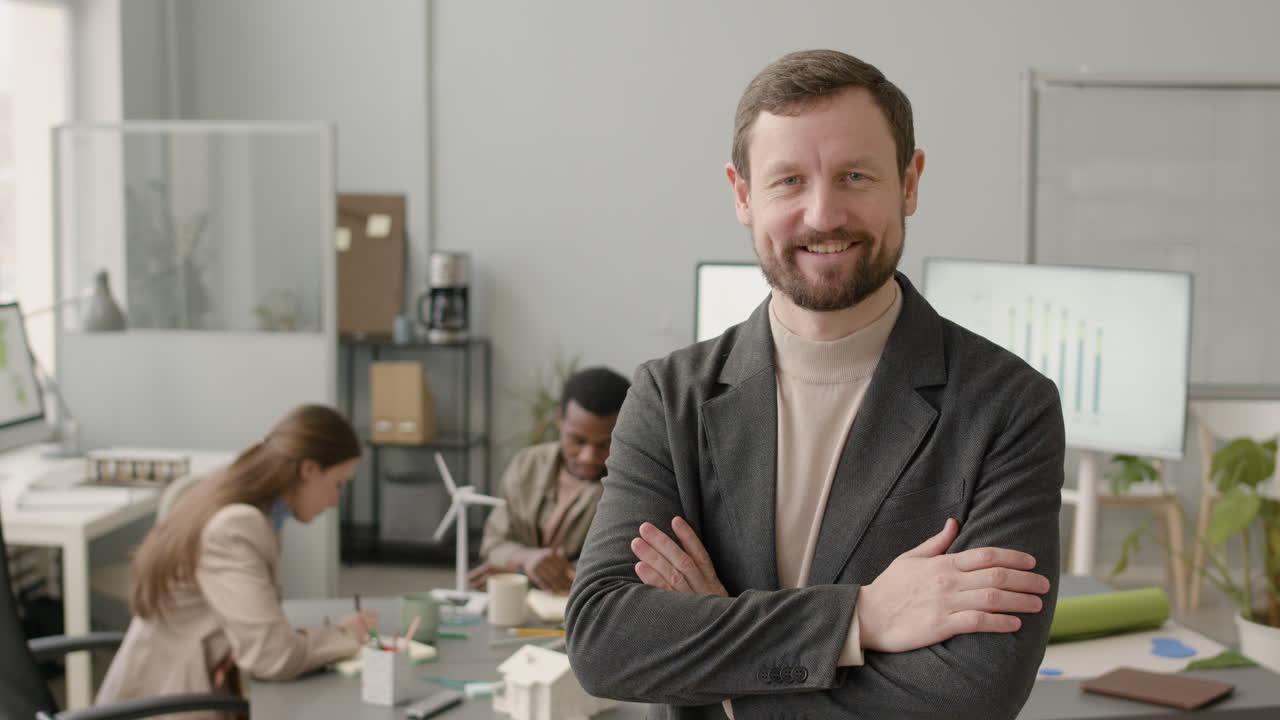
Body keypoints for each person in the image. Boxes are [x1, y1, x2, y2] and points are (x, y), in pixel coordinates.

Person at [566, 50, 1064, 719]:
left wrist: (726, 674)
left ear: (909, 183)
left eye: (855, 176)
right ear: (743, 195)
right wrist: (860, 618)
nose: (824, 214)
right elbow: (606, 641)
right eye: (789, 181)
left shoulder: (1008, 406)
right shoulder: (668, 398)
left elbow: (974, 693)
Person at [96, 404, 379, 718]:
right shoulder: (236, 526)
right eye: (338, 484)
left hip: (182, 684)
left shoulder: (239, 502)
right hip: (167, 703)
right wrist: (347, 635)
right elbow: (272, 657)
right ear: (309, 469)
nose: (335, 501)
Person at [469, 366, 631, 594]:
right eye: (578, 441)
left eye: (605, 444)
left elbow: (619, 569)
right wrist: (526, 558)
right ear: (559, 420)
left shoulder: (632, 486)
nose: (589, 457)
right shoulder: (527, 464)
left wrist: (520, 573)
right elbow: (493, 544)